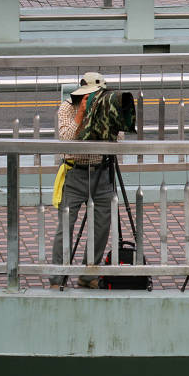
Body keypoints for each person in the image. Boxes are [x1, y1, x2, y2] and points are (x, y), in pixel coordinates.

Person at [49, 72, 113, 289]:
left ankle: (88, 274)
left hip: (101, 172)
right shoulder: (67, 107)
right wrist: (81, 115)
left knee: (102, 226)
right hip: (75, 172)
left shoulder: (107, 108)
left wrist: (106, 119)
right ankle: (57, 277)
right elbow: (65, 140)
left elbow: (118, 140)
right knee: (65, 227)